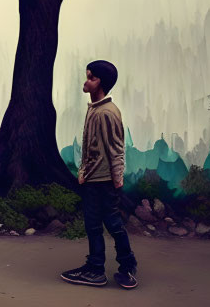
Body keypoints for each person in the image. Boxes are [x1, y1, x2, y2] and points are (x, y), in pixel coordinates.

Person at [60, 59, 138, 289]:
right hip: (93, 180)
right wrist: (83, 172)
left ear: (101, 83)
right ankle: (96, 268)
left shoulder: (106, 113)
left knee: (111, 223)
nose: (86, 81)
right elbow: (91, 148)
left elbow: (115, 148)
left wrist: (117, 179)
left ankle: (126, 266)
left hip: (103, 182)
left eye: (91, 77)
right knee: (93, 225)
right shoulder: (95, 109)